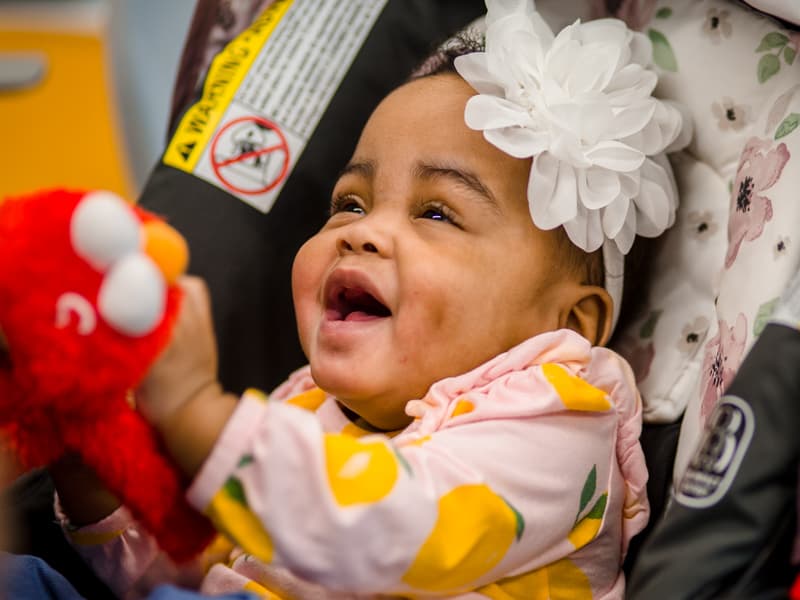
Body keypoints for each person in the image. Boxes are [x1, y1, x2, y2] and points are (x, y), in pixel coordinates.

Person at [51, 0, 687, 597]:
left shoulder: (559, 428)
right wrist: (89, 471)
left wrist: (196, 415)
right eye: (349, 202)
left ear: (568, 321)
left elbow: (391, 526)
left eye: (437, 214)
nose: (362, 231)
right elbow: (191, 570)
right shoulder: (307, 407)